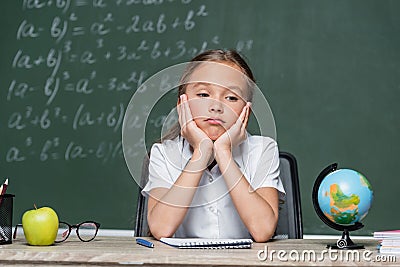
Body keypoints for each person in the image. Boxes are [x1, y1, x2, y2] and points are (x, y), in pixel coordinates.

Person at [142, 49, 285, 242]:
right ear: (181, 105)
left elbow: (262, 230)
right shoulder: (164, 153)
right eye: (203, 94)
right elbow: (161, 228)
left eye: (231, 97)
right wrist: (201, 152)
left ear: (247, 111)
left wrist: (223, 153)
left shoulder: (263, 150)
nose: (216, 106)